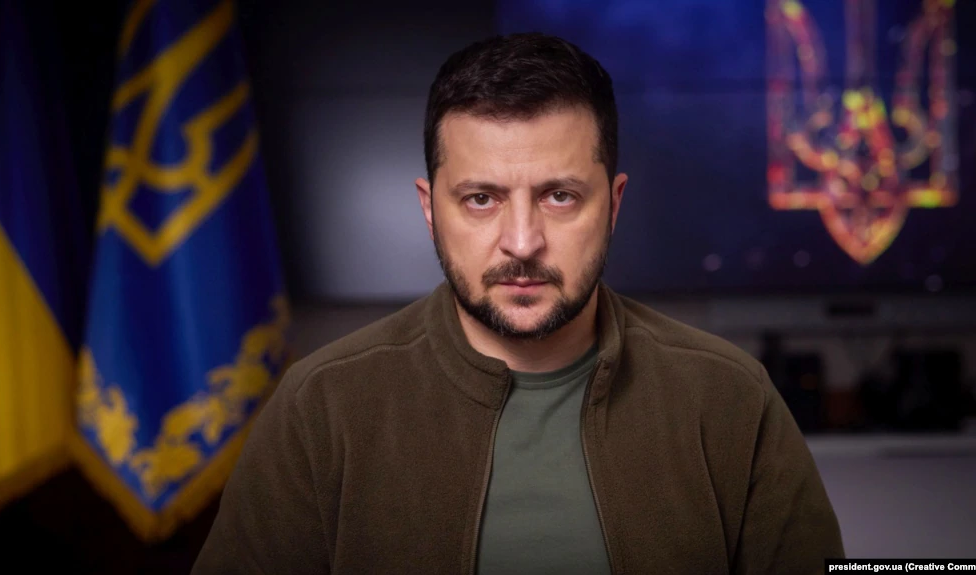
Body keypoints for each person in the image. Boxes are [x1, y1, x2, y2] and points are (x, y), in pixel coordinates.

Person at [192, 32, 844, 574]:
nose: (523, 242)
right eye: (481, 199)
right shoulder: (320, 407)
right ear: (430, 208)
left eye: (560, 196)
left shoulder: (729, 398)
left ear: (613, 204)